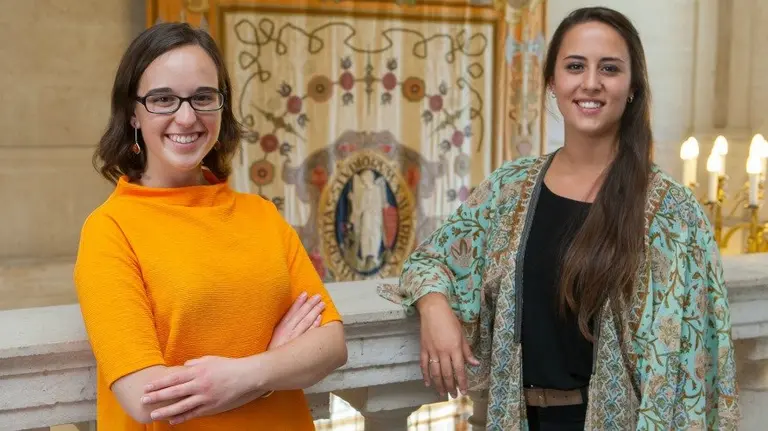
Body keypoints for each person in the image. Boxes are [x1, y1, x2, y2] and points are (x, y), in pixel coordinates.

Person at [378, 7, 739, 430]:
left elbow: (692, 372)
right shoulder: (509, 190)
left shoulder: (671, 214)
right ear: (552, 82)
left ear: (633, 86)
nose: (591, 83)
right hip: (514, 419)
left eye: (609, 68)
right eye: (574, 66)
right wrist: (435, 307)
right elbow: (429, 260)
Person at [73, 22, 347, 430]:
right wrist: (275, 366)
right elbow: (147, 398)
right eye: (163, 99)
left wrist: (249, 374)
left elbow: (331, 345)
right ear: (133, 112)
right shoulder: (109, 229)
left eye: (203, 97)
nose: (187, 117)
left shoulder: (260, 215)